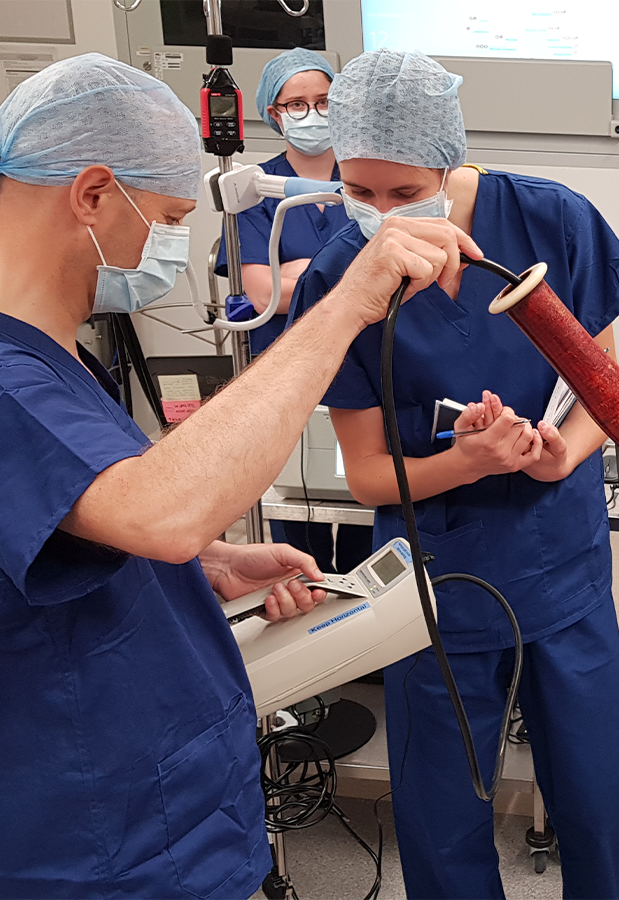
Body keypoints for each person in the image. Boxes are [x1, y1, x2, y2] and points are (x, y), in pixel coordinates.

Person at [0, 54, 477, 899]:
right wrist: (348, 303)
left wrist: (208, 565)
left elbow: (82, 519)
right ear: (94, 194)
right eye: (173, 216)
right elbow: (160, 509)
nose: (176, 246)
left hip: (161, 805)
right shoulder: (11, 377)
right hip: (103, 838)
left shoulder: (52, 358)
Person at [289, 49, 619, 900]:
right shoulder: (344, 275)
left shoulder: (553, 221)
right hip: (435, 585)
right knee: (441, 818)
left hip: (562, 562)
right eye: (359, 192)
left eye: (406, 194)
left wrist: (570, 446)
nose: (383, 216)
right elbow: (371, 476)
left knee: (598, 797)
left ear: (449, 162)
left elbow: (608, 388)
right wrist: (464, 460)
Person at [214, 47, 371, 575]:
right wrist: (340, 279)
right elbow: (261, 295)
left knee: (361, 511)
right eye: (296, 104)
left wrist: (297, 274)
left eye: (324, 101)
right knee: (293, 511)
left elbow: (386, 275)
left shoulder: (364, 179)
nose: (312, 113)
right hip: (285, 366)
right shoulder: (254, 191)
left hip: (361, 361)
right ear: (274, 113)